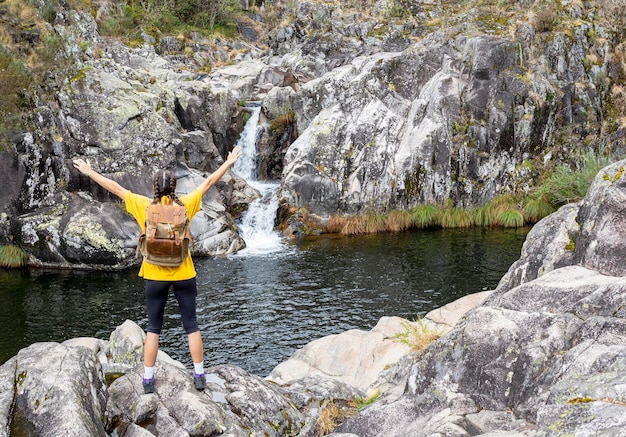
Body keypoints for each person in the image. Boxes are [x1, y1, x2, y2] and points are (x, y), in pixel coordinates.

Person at [72, 146, 242, 394]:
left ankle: (149, 380)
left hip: (153, 275)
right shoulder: (186, 204)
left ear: (155, 188)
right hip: (184, 274)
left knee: (153, 328)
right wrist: (228, 161)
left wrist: (89, 171)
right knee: (191, 325)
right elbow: (208, 183)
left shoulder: (143, 205)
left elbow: (115, 188)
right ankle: (199, 375)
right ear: (174, 188)